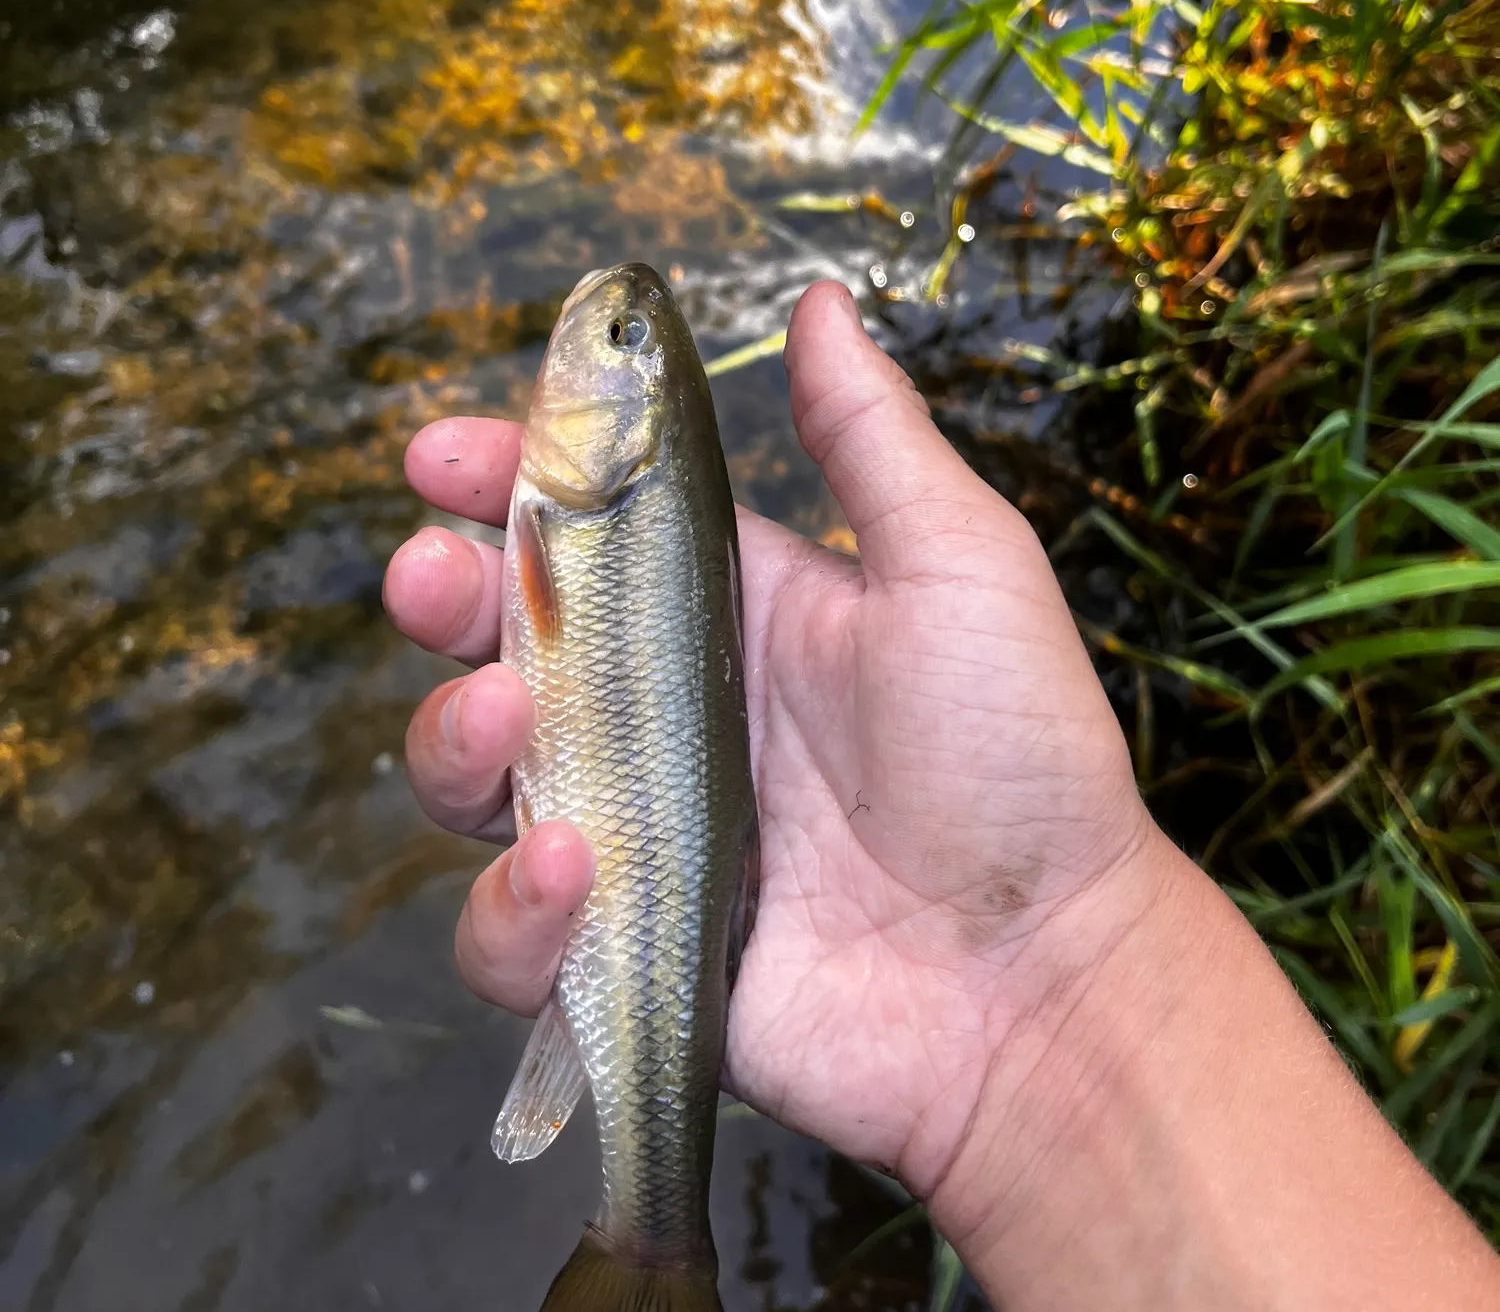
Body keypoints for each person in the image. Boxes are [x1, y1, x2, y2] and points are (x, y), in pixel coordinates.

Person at [383, 280, 1500, 1311]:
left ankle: (653, 1245)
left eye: (621, 340)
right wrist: (1061, 980)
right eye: (634, 333)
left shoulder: (565, 516)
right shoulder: (593, 508)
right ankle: (653, 1234)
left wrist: (1052, 962)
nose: (605, 326)